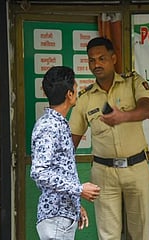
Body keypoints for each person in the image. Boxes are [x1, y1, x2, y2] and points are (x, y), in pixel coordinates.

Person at [69, 37, 149, 240]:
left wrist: (123, 116)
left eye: (101, 58)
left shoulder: (133, 82)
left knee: (141, 233)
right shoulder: (85, 98)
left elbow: (147, 108)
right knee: (108, 236)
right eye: (91, 60)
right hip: (103, 174)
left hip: (137, 168)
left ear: (113, 58)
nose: (96, 64)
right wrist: (67, 183)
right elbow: (71, 142)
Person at [30, 66, 101, 240]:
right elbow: (39, 172)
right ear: (69, 94)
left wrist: (75, 205)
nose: (77, 90)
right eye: (75, 87)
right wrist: (79, 189)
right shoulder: (49, 126)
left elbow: (61, 169)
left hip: (62, 216)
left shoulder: (58, 123)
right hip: (55, 218)